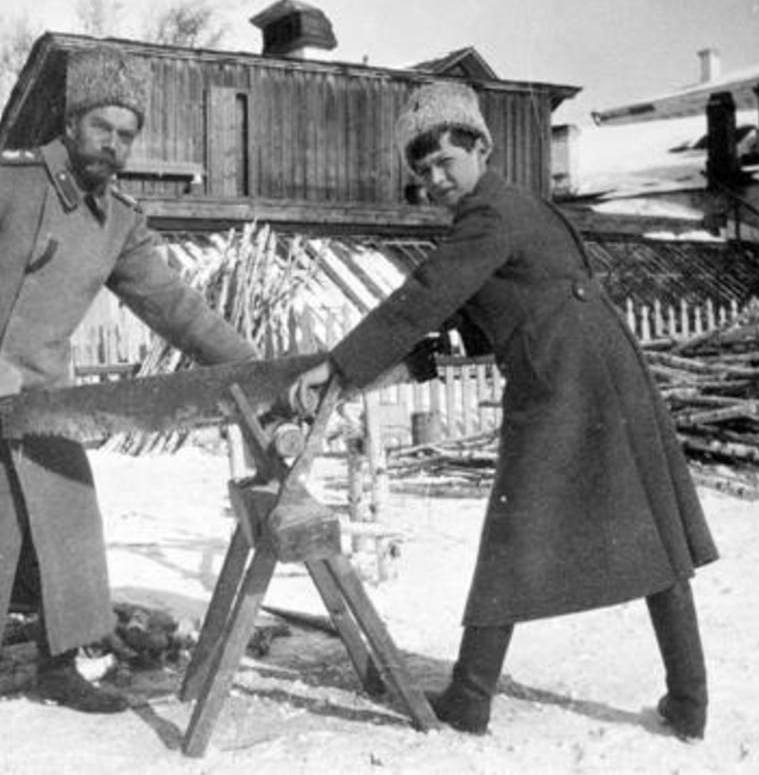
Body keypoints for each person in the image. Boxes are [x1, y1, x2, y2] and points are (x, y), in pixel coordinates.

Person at [294, 81, 718, 742]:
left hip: (567, 383)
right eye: (423, 170)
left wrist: (342, 362)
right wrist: (375, 375)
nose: (436, 179)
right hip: (600, 373)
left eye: (446, 163)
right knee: (653, 532)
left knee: (516, 527)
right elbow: (470, 321)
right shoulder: (512, 209)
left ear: (480, 148)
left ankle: (469, 697)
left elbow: (428, 294)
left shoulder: (487, 216)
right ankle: (688, 701)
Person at [0, 46, 257, 731]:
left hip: (41, 400)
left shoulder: (118, 221)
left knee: (63, 528)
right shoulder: (4, 182)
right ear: (72, 122)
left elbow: (175, 307)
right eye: (103, 128)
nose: (115, 145)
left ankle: (59, 667)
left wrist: (252, 368)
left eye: (127, 134)